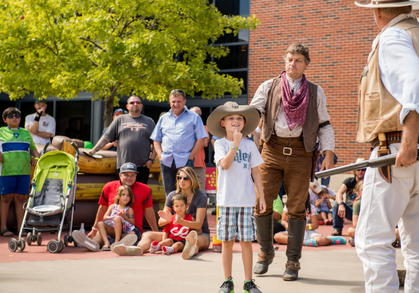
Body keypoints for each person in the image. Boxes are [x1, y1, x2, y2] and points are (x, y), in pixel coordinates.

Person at [249, 42, 335, 281]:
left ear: (306, 64)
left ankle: (293, 260)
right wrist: (243, 130)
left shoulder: (316, 91)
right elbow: (253, 112)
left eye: (297, 60)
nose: (292, 64)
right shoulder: (269, 86)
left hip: (301, 154)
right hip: (271, 150)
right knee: (262, 202)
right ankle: (265, 253)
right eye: (289, 59)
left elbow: (324, 125)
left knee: (297, 208)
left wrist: (328, 152)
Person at [354, 1, 419, 291]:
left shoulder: (393, 36)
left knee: (372, 240)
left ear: (377, 11)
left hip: (395, 150)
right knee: (416, 246)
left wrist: (409, 142)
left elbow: (415, 86)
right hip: (405, 151)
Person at [207, 101, 265, 293]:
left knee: (247, 242)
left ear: (244, 122)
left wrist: (261, 197)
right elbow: (225, 165)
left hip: (246, 200)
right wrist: (236, 144)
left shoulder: (250, 146)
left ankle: (248, 282)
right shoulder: (221, 144)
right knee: (227, 242)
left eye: (239, 118)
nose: (235, 121)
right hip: (227, 200)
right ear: (222, 122)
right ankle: (227, 281)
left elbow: (256, 172)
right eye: (231, 118)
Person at [113, 166, 210, 257]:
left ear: (192, 179)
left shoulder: (200, 197)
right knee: (148, 234)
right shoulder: (172, 195)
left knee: (192, 241)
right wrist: (168, 219)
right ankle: (136, 249)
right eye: (179, 177)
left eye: (185, 178)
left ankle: (189, 252)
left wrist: (180, 221)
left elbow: (198, 225)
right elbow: (160, 222)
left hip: (197, 234)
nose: (181, 180)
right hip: (174, 234)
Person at [73, 162, 158, 251]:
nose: (129, 178)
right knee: (100, 234)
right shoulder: (108, 186)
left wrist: (156, 233)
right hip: (111, 226)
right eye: (126, 175)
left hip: (131, 228)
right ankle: (92, 244)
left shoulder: (145, 189)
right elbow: (102, 210)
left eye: (132, 175)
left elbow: (149, 213)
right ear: (120, 175)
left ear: (136, 176)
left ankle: (120, 244)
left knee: (131, 235)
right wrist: (94, 229)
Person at [151, 89, 207, 196]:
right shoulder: (163, 118)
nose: (176, 104)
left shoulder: (194, 117)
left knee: (187, 192)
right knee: (170, 193)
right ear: (169, 102)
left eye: (179, 101)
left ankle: (186, 213)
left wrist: (191, 156)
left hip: (186, 160)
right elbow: (156, 139)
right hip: (166, 161)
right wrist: (160, 155)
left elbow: (201, 139)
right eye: (173, 102)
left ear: (184, 101)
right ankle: (171, 213)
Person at [89, 96, 156, 184]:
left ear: (141, 106)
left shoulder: (150, 121)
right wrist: (93, 150)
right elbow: (106, 137)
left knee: (140, 195)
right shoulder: (119, 120)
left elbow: (156, 142)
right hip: (123, 165)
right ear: (127, 106)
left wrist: (151, 160)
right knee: (122, 194)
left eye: (138, 102)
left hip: (142, 166)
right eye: (132, 103)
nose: (135, 104)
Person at [0, 107, 40, 237]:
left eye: (17, 116)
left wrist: (37, 158)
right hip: (6, 171)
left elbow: (33, 149)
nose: (14, 118)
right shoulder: (1, 131)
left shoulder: (26, 132)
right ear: (4, 119)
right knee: (6, 198)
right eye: (11, 116)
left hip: (24, 171)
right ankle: (3, 228)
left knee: (20, 199)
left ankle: (20, 228)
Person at [275, 204, 346, 247]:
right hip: (293, 231)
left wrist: (304, 226)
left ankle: (330, 240)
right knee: (277, 237)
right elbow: (283, 221)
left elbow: (315, 225)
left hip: (308, 231)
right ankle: (304, 243)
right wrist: (288, 226)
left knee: (322, 241)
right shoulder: (288, 206)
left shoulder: (310, 207)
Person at [331, 158, 365, 236]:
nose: (360, 171)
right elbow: (339, 193)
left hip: (364, 210)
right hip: (351, 211)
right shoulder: (349, 181)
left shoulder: (369, 181)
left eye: (363, 169)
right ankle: (337, 229)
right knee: (336, 203)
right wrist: (341, 204)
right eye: (358, 169)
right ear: (354, 171)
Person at [97, 185, 135, 251]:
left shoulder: (129, 209)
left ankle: (116, 242)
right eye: (123, 194)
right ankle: (106, 243)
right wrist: (113, 217)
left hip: (123, 231)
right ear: (118, 196)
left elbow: (133, 222)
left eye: (128, 195)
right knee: (100, 223)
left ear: (130, 198)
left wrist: (124, 217)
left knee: (118, 219)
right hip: (112, 229)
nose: (126, 197)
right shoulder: (112, 206)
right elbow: (105, 217)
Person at [189, 106, 210, 194]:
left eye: (198, 115)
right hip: (186, 162)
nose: (196, 116)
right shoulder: (185, 127)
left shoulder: (204, 128)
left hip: (199, 164)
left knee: (200, 190)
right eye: (194, 114)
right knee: (186, 189)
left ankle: (201, 208)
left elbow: (205, 143)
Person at [347, 181, 363, 247]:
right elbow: (355, 224)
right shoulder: (358, 203)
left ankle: (360, 240)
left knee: (396, 232)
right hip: (364, 229)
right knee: (351, 231)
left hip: (376, 229)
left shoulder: (376, 202)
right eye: (363, 190)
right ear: (358, 193)